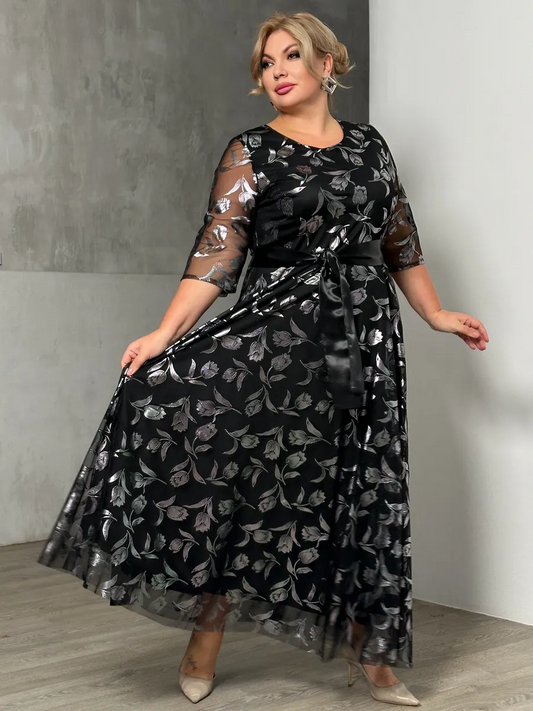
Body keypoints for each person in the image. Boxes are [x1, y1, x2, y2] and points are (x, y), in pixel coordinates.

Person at [38, 10, 489, 707]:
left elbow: (399, 239)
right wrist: (163, 334)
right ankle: (204, 639)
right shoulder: (252, 150)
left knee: (360, 485)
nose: (276, 72)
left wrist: (434, 314)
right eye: (266, 63)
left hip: (365, 336)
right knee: (248, 483)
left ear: (325, 66)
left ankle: (372, 658)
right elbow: (216, 252)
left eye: (290, 57)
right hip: (277, 340)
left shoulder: (370, 146)